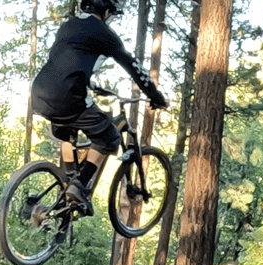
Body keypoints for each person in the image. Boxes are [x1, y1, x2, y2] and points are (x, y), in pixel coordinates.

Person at [30, 0, 168, 215]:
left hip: (40, 94)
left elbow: (67, 61)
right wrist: (156, 95)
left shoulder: (68, 26)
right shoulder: (105, 34)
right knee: (109, 137)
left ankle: (68, 183)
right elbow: (134, 67)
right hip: (69, 96)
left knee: (66, 132)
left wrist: (90, 84)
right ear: (105, 10)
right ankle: (79, 186)